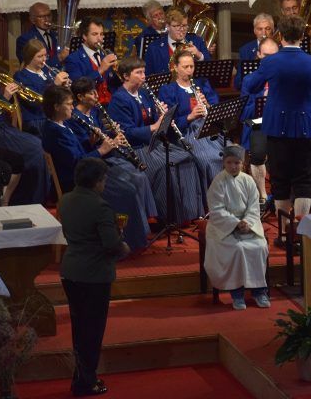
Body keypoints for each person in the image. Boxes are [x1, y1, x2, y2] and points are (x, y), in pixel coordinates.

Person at [41, 85, 154, 252]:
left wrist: (92, 143)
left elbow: (78, 152)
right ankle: (123, 242)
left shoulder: (62, 125)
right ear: (57, 107)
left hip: (86, 172)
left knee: (134, 179)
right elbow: (76, 163)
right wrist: (102, 150)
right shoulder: (54, 131)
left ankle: (136, 234)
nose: (73, 107)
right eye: (69, 104)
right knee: (127, 190)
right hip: (78, 181)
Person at [244, 15, 311, 220]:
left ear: (280, 35)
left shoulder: (271, 62)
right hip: (306, 127)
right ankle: (301, 233)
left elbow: (251, 86)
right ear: (302, 36)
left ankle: (284, 233)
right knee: (304, 180)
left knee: (280, 181)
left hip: (277, 127)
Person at [59, 157, 130, 397]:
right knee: (92, 330)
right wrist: (123, 246)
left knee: (79, 328)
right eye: (104, 179)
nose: (105, 184)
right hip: (94, 275)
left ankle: (80, 376)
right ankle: (86, 382)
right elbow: (110, 244)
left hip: (71, 273)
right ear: (97, 181)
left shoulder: (65, 200)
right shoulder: (100, 206)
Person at [108, 58, 205, 224]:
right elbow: (127, 133)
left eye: (144, 72)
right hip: (136, 148)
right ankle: (167, 217)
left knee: (188, 157)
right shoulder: (119, 99)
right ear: (125, 76)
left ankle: (189, 213)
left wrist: (164, 117)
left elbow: (154, 119)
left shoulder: (144, 93)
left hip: (153, 143)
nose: (143, 76)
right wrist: (154, 126)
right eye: (138, 73)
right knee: (164, 167)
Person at [0, 47, 48, 205]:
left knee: (39, 144)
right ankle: (27, 198)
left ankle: (34, 196)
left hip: (4, 127)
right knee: (35, 147)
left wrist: (8, 95)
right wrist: (5, 97)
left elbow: (2, 105)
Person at [203, 145, 270, 310]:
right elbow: (216, 210)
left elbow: (254, 207)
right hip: (223, 227)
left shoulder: (248, 181)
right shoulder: (218, 182)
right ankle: (237, 293)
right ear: (224, 163)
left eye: (237, 163)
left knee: (259, 247)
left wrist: (247, 222)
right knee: (237, 249)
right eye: (229, 162)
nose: (233, 166)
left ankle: (259, 291)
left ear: (243, 163)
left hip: (247, 225)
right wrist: (234, 223)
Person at [158, 51, 223, 186]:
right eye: (185, 67)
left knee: (231, 152)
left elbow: (217, 109)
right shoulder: (168, 90)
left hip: (207, 129)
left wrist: (207, 105)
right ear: (175, 67)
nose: (189, 71)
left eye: (191, 67)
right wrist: (190, 117)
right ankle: (214, 200)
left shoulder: (202, 84)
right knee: (210, 159)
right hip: (188, 133)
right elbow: (169, 122)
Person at [240, 37, 280, 205]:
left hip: (281, 123)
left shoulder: (284, 77)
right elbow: (244, 113)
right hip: (259, 124)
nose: (270, 60)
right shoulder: (250, 80)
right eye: (266, 56)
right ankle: (263, 195)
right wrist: (262, 102)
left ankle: (280, 194)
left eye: (274, 56)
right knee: (257, 152)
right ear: (258, 55)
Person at [14, 39, 70, 136]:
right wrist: (54, 85)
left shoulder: (46, 72)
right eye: (40, 56)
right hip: (36, 120)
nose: (44, 59)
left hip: (51, 115)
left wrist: (63, 87)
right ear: (29, 58)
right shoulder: (21, 76)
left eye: (45, 55)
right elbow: (33, 101)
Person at [64, 17, 118, 105]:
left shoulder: (105, 54)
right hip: (90, 106)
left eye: (101, 34)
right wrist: (100, 70)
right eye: (95, 34)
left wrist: (119, 74)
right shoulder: (73, 59)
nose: (100, 39)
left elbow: (112, 83)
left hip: (111, 102)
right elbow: (78, 87)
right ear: (85, 36)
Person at [143, 7, 211, 75]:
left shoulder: (197, 40)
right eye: (177, 26)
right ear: (168, 26)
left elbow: (210, 67)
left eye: (184, 25)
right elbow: (147, 75)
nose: (181, 29)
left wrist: (198, 54)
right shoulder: (154, 47)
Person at [15, 2, 66, 67]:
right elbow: (31, 66)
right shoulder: (24, 39)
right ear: (32, 20)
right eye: (41, 17)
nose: (47, 19)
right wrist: (60, 57)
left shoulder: (56, 35)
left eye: (48, 15)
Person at [234, 13, 274, 91]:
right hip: (254, 91)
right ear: (254, 31)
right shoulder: (245, 50)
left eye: (267, 28)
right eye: (260, 29)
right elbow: (238, 83)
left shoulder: (279, 48)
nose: (264, 33)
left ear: (273, 30)